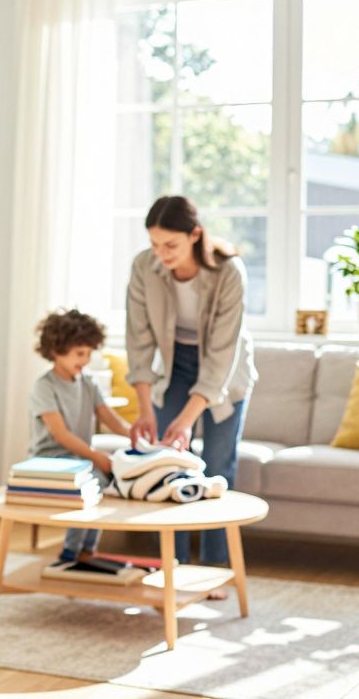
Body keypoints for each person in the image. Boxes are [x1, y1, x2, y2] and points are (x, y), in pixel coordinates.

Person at [125, 195, 256, 567]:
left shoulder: (229, 271)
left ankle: (215, 569)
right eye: (154, 245)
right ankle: (171, 566)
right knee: (168, 464)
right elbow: (138, 340)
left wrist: (186, 420)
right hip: (175, 365)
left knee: (216, 468)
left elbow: (221, 356)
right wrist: (145, 408)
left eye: (171, 245)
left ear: (195, 235)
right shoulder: (144, 267)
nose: (161, 254)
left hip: (226, 369)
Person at [27, 309, 131, 563]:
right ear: (56, 350)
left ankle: (87, 550)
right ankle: (71, 552)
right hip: (50, 458)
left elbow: (108, 417)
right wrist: (96, 457)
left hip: (79, 458)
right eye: (79, 354)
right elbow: (60, 434)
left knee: (105, 478)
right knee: (93, 480)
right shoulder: (45, 386)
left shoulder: (88, 383)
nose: (85, 360)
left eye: (88, 353)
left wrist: (138, 439)